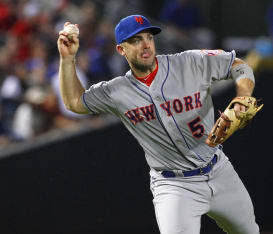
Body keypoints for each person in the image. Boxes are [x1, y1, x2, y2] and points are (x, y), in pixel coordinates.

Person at [57, 15, 259, 234]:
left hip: (219, 169)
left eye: (148, 37)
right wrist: (67, 60)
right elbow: (75, 102)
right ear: (121, 50)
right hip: (174, 186)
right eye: (135, 40)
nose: (145, 44)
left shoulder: (189, 62)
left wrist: (243, 95)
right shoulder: (116, 91)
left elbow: (238, 65)